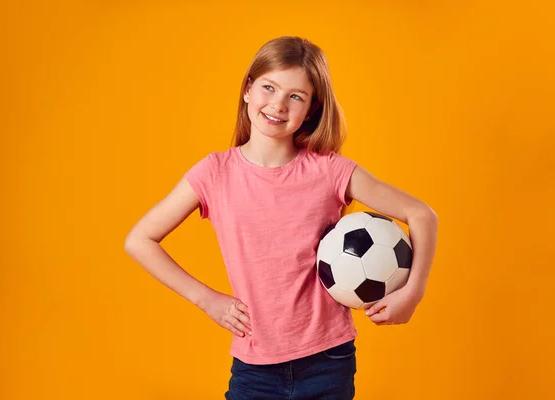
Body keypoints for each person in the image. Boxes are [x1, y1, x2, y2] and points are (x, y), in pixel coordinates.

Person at [124, 36, 439, 399]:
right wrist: (206, 298)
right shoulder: (214, 173)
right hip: (254, 368)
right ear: (247, 89)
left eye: (295, 96)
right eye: (268, 87)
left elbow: (421, 215)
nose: (277, 105)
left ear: (311, 109)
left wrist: (413, 292)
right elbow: (139, 240)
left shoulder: (330, 172)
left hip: (328, 360)